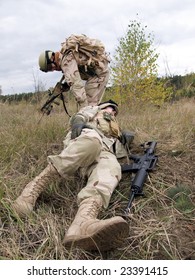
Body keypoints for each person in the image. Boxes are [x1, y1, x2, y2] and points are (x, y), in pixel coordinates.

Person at [13, 100, 133, 251]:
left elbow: (119, 150)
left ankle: (82, 224)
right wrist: (78, 123)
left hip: (103, 151)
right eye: (111, 108)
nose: (113, 112)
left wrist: (125, 140)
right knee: (92, 143)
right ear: (103, 106)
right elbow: (79, 116)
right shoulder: (95, 110)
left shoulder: (115, 127)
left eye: (115, 111)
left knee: (112, 166)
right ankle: (32, 190)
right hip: (85, 140)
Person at [38, 34, 110, 108]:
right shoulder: (66, 55)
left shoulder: (65, 62)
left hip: (98, 75)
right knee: (89, 110)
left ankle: (109, 109)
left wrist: (84, 110)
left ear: (52, 57)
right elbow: (76, 75)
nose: (53, 70)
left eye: (50, 67)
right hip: (98, 73)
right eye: (49, 70)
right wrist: (65, 86)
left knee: (89, 110)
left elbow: (77, 86)